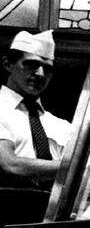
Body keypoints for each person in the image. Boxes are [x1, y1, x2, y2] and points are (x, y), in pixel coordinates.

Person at [0, 30, 69, 189]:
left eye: (47, 68)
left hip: (52, 211)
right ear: (8, 64)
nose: (40, 74)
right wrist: (74, 167)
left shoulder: (61, 125)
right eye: (31, 64)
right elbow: (10, 164)